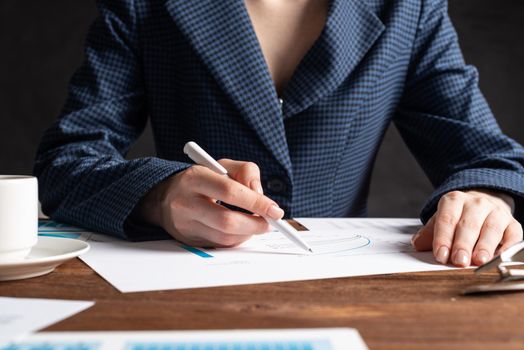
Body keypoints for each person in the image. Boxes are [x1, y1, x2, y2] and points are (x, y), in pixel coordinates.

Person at [34, 0, 524, 268]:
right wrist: (160, 197)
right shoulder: (144, 6)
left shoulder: (409, 8)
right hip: (188, 289)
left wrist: (486, 199)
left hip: (351, 294)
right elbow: (66, 161)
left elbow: (486, 157)